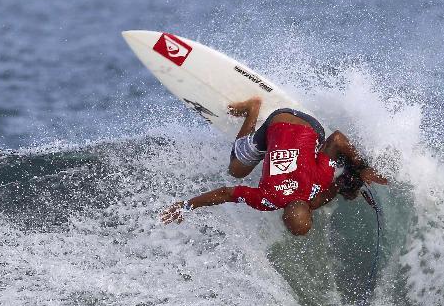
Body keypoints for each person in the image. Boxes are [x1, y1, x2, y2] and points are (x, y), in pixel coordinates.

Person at [161, 96, 387, 235]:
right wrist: (186, 205)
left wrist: (360, 166)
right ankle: (252, 110)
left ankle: (254, 110)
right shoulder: (266, 199)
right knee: (236, 170)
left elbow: (336, 139)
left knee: (239, 169)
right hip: (280, 121)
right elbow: (226, 192)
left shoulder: (316, 182)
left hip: (310, 126)